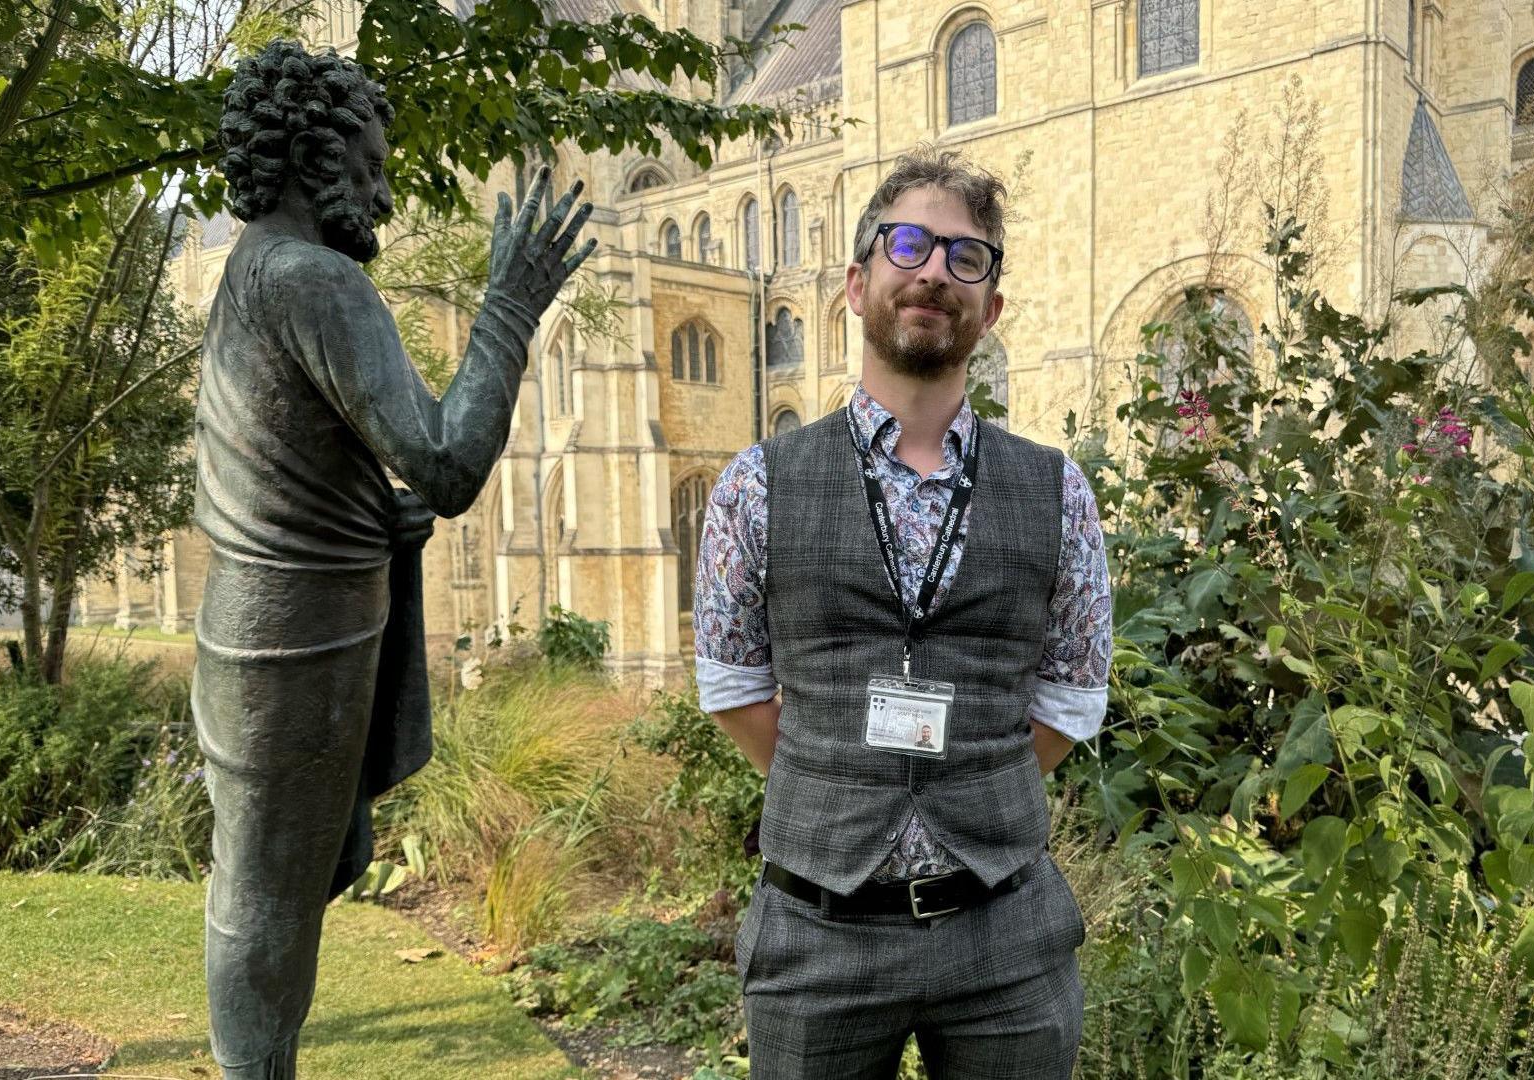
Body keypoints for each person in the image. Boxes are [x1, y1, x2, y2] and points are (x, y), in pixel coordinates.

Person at [192, 41, 594, 1078]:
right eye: (368, 165)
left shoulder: (259, 275)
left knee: (303, 871)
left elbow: (295, 458)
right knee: (267, 901)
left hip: (290, 625)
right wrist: (508, 309)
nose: (379, 190)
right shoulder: (312, 281)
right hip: (295, 642)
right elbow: (451, 462)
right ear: (310, 157)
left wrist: (377, 517)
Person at [694, 147, 1113, 1079]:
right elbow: (730, 683)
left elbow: (1073, 692)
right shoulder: (757, 483)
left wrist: (974, 777)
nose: (935, 272)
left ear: (991, 307)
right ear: (856, 281)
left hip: (1006, 934)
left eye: (967, 258)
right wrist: (846, 774)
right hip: (819, 938)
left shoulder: (1057, 489)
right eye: (910, 244)